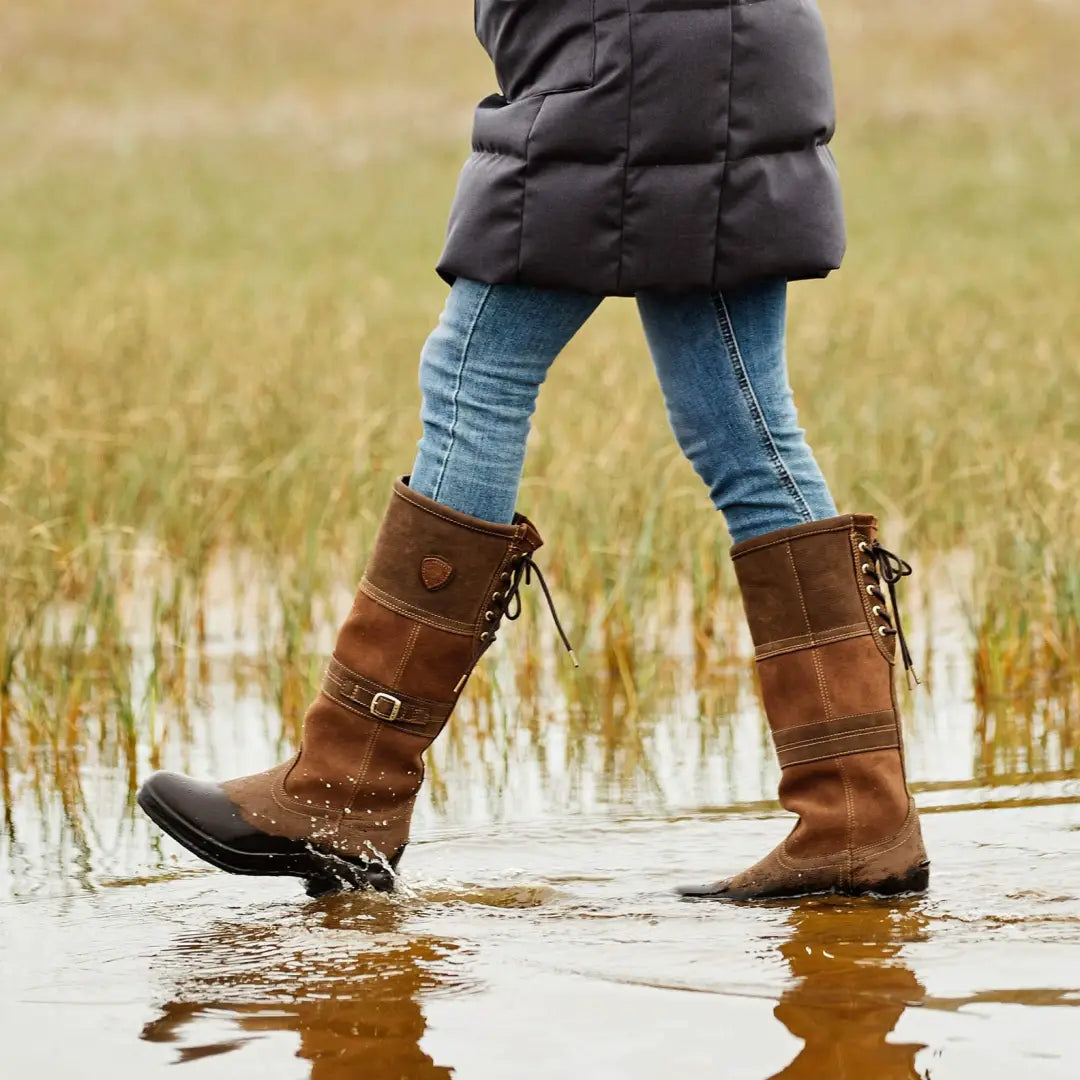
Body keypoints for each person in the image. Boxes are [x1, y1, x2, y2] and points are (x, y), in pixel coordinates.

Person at [138, 0, 928, 901]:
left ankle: (345, 785)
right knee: (739, 421)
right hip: (684, 61)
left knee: (480, 370)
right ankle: (856, 817)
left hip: (637, 66)